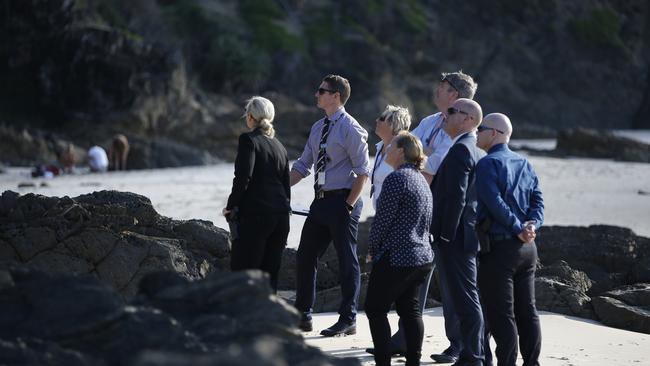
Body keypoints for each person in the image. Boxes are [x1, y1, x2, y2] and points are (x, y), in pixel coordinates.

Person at [290, 74, 370, 336]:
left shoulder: (351, 128)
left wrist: (348, 206)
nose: (317, 95)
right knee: (305, 255)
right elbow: (302, 166)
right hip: (320, 201)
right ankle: (303, 314)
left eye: (321, 90)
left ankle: (348, 319)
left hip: (344, 201)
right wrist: (277, 186)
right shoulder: (317, 127)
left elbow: (363, 173)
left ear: (336, 96)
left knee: (347, 260)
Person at [410, 71, 479, 364]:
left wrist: (420, 156)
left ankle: (459, 345)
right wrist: (420, 156)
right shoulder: (429, 121)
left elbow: (430, 167)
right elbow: (404, 151)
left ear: (456, 95)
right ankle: (406, 336)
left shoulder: (462, 137)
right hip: (418, 209)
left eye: (443, 87)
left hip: (439, 216)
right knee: (414, 277)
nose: (436, 90)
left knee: (453, 286)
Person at [475, 113, 544, 366]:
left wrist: (517, 227)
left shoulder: (486, 164)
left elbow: (494, 202)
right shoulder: (524, 163)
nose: (477, 133)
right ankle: (532, 363)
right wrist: (531, 226)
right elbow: (538, 201)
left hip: (500, 248)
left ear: (494, 133)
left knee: (502, 314)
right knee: (528, 311)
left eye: (481, 129)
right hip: (528, 248)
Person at [365, 131, 434, 366]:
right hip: (422, 256)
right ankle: (413, 362)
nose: (386, 150)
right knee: (410, 309)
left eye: (391, 146)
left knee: (374, 309)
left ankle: (383, 362)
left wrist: (372, 250)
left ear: (402, 151)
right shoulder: (420, 179)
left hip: (398, 257)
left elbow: (382, 221)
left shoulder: (397, 179)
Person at [430, 98, 486, 366]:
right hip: (468, 234)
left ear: (468, 120)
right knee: (467, 296)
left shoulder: (463, 149)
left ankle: (473, 356)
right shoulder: (476, 149)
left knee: (465, 298)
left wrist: (444, 235)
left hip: (457, 237)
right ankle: (474, 353)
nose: (445, 114)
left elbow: (457, 198)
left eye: (452, 111)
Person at [222, 96, 291, 293]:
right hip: (281, 219)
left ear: (250, 117)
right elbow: (286, 188)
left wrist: (230, 206)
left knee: (245, 276)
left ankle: (246, 322)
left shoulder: (248, 140)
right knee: (270, 279)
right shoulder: (280, 147)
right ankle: (270, 321)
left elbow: (243, 177)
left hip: (256, 217)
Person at [370, 105, 412, 210]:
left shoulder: (401, 153)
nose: (377, 120)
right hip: (380, 213)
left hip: (395, 215)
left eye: (382, 119)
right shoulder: (379, 147)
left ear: (394, 124)